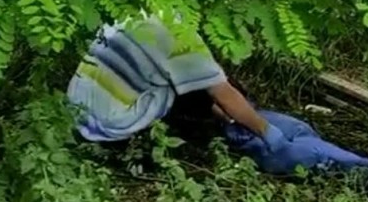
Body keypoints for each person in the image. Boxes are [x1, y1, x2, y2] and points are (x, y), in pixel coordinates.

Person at [66, 13, 287, 153]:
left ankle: (229, 119)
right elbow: (224, 93)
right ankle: (132, 143)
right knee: (199, 84)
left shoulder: (135, 7)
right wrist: (266, 131)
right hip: (109, 122)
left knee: (188, 79)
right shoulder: (180, 38)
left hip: (75, 106)